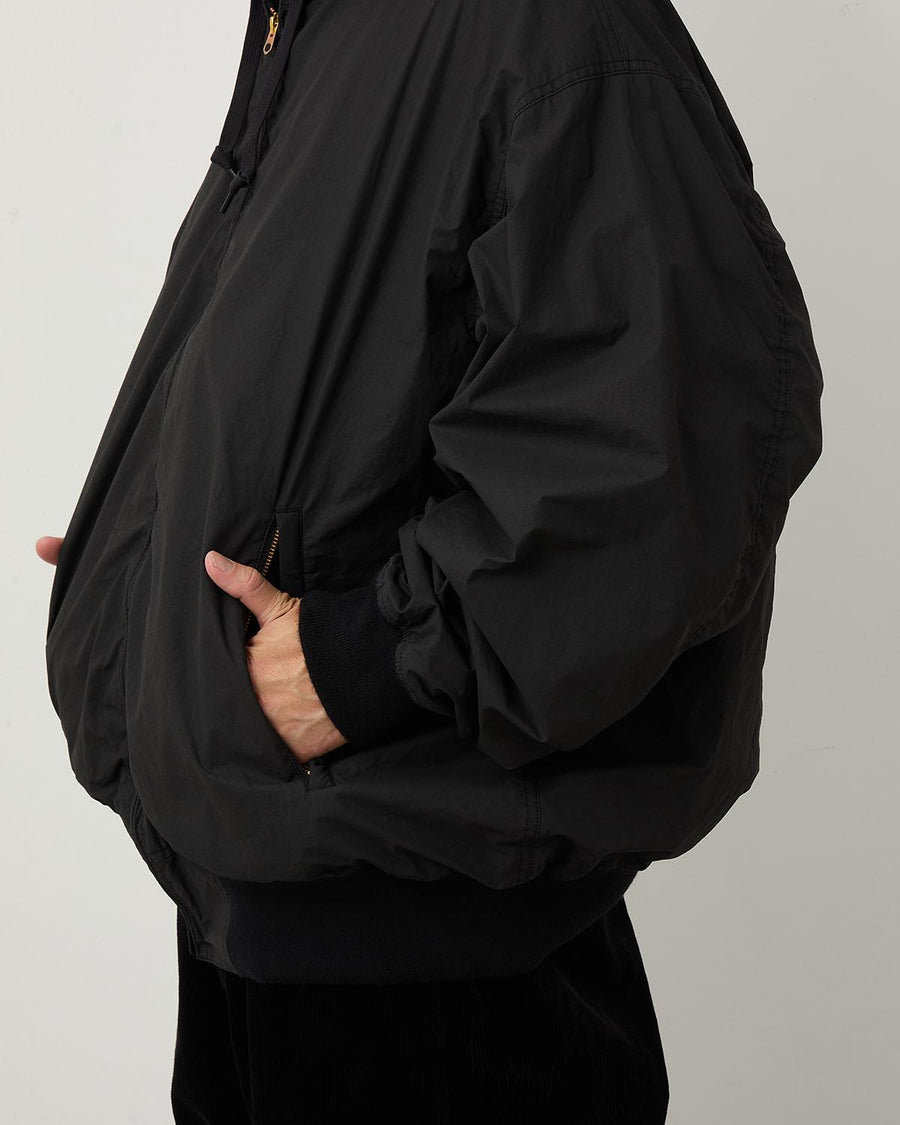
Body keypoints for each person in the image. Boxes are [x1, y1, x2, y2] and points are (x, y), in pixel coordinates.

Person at [37, 0, 824, 1121]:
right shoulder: (328, 25)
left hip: (423, 929)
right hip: (260, 898)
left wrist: (369, 662)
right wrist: (149, 565)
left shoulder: (548, 25)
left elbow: (665, 438)